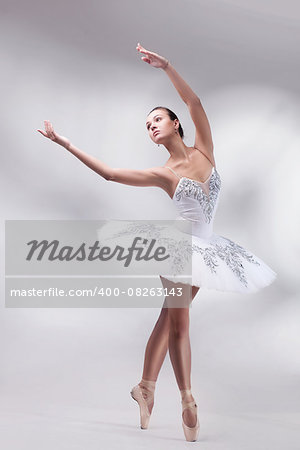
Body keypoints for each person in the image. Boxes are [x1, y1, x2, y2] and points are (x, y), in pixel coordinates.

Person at [37, 42, 277, 442]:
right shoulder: (163, 173)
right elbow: (111, 175)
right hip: (180, 250)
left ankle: (145, 387)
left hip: (209, 250)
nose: (151, 125)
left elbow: (194, 99)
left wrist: (166, 66)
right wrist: (64, 143)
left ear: (176, 123)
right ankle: (187, 401)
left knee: (168, 318)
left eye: (157, 118)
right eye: (146, 125)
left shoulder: (206, 151)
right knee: (179, 322)